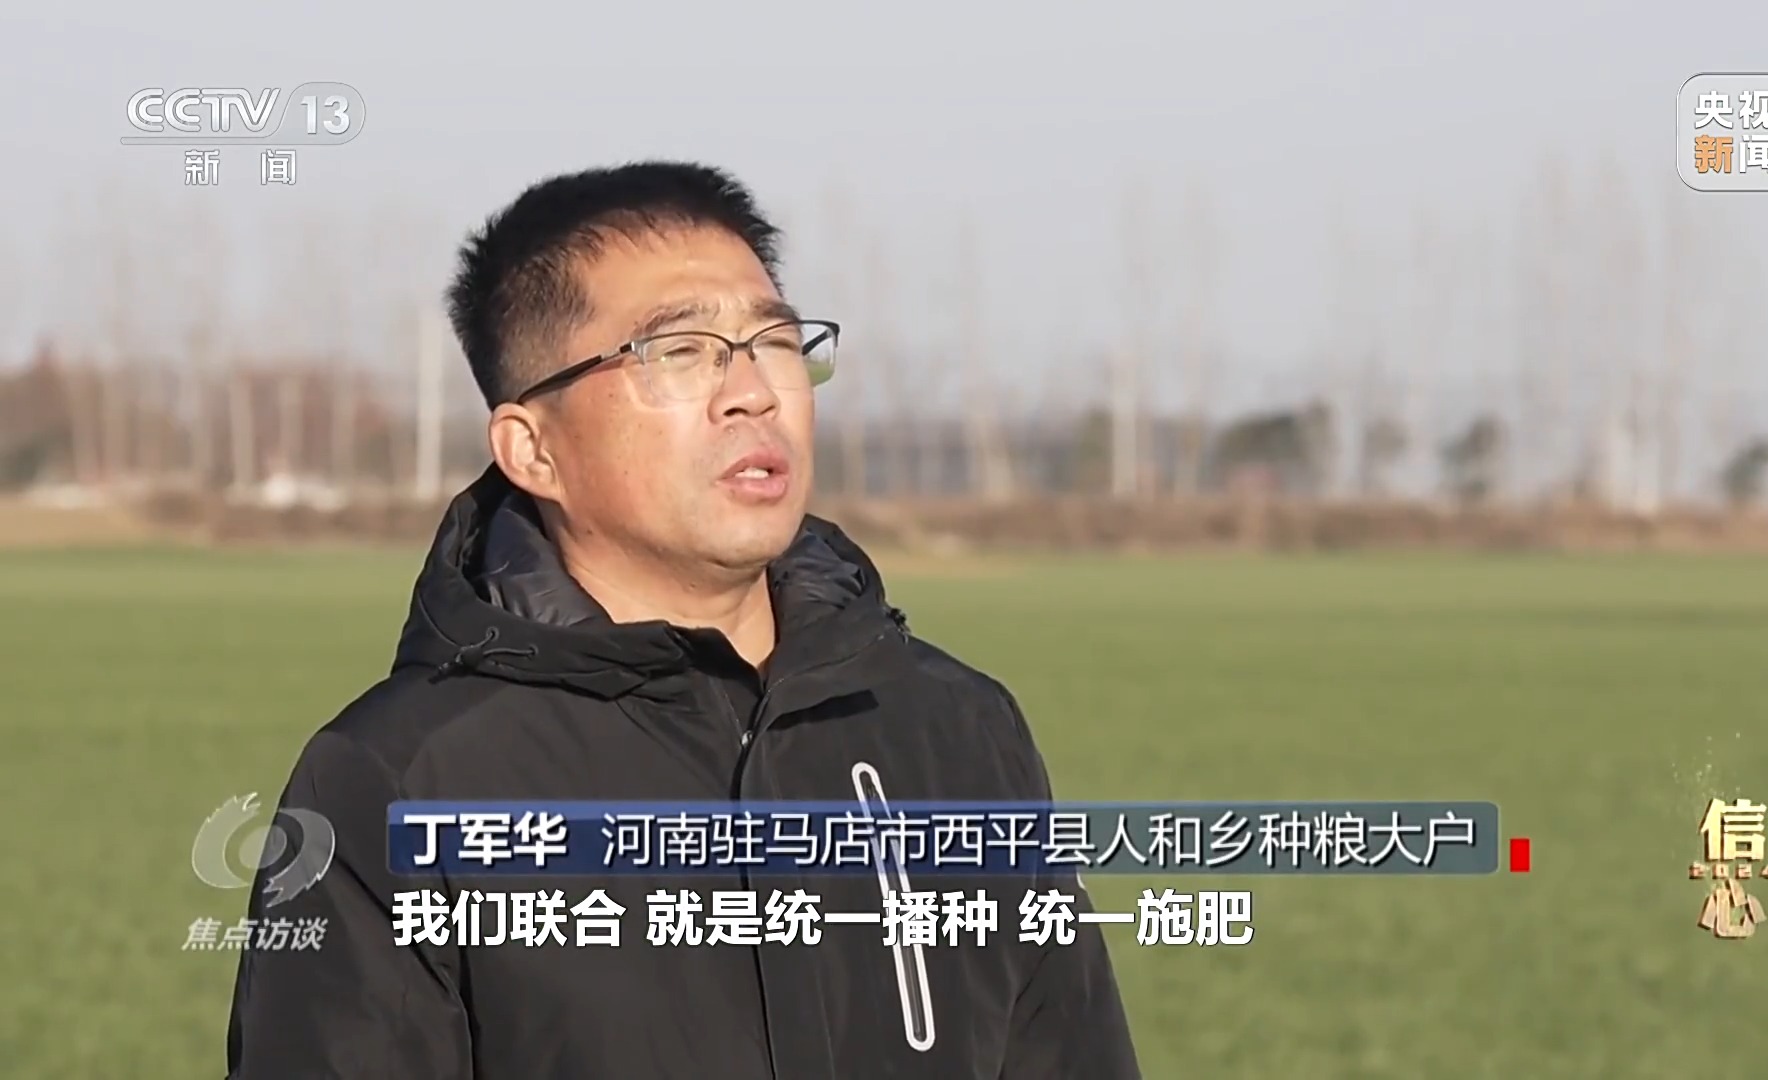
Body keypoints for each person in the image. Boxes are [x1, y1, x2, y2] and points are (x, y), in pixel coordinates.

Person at [224, 160, 1140, 1079]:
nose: (754, 392)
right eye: (681, 351)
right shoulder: (403, 782)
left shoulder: (957, 730)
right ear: (533, 450)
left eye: (775, 342)